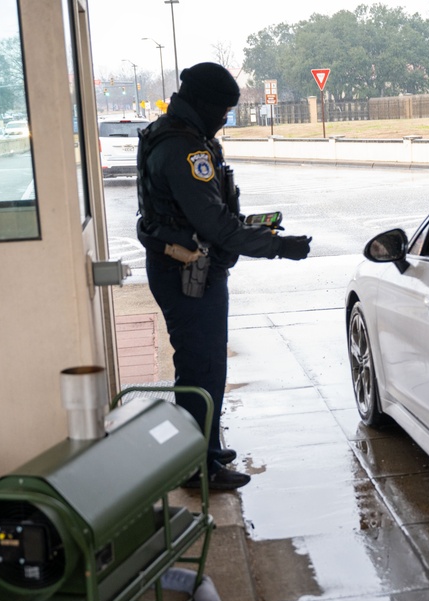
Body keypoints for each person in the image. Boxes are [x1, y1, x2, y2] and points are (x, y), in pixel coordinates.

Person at [136, 62, 311, 491]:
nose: (224, 120)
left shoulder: (176, 134)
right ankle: (199, 468)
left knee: (202, 366)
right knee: (202, 368)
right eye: (223, 111)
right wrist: (280, 248)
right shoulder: (185, 150)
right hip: (188, 273)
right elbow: (215, 228)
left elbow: (205, 216)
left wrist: (251, 227)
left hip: (183, 267)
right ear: (203, 104)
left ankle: (205, 449)